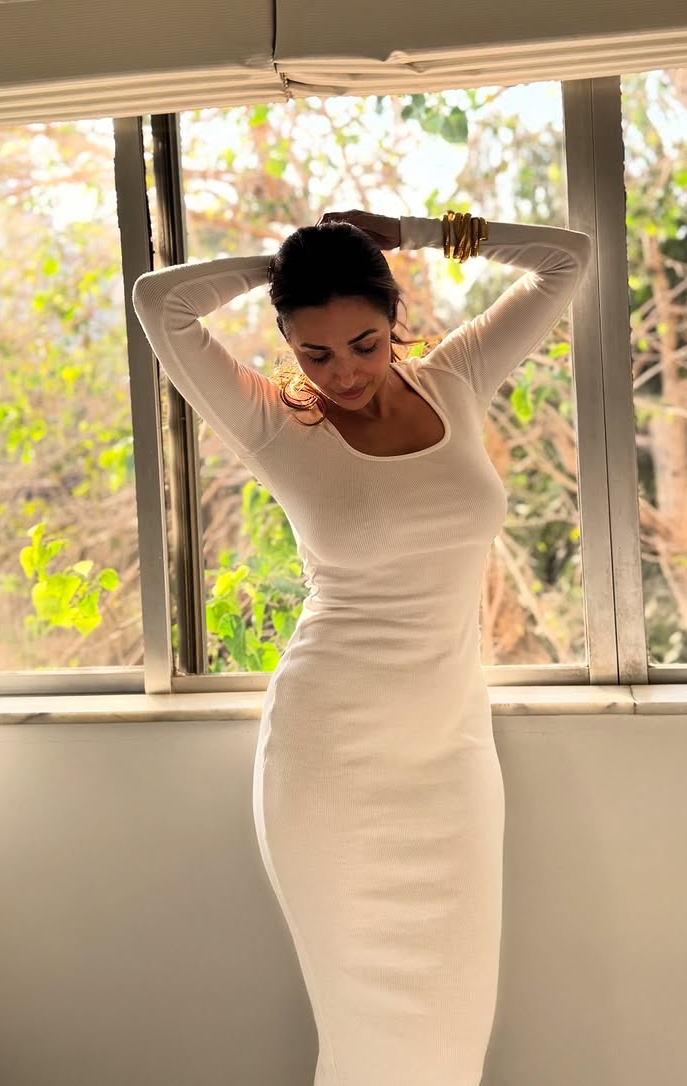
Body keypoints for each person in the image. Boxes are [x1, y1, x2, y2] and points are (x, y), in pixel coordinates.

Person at [131, 206, 591, 1085]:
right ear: (288, 344)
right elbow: (160, 302)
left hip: (452, 758)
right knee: (367, 1039)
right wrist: (287, 262)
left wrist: (409, 231)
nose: (343, 371)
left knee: (452, 1035)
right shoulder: (274, 422)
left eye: (364, 344)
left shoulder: (455, 379)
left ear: (394, 317)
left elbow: (567, 260)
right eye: (315, 353)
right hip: (331, 762)